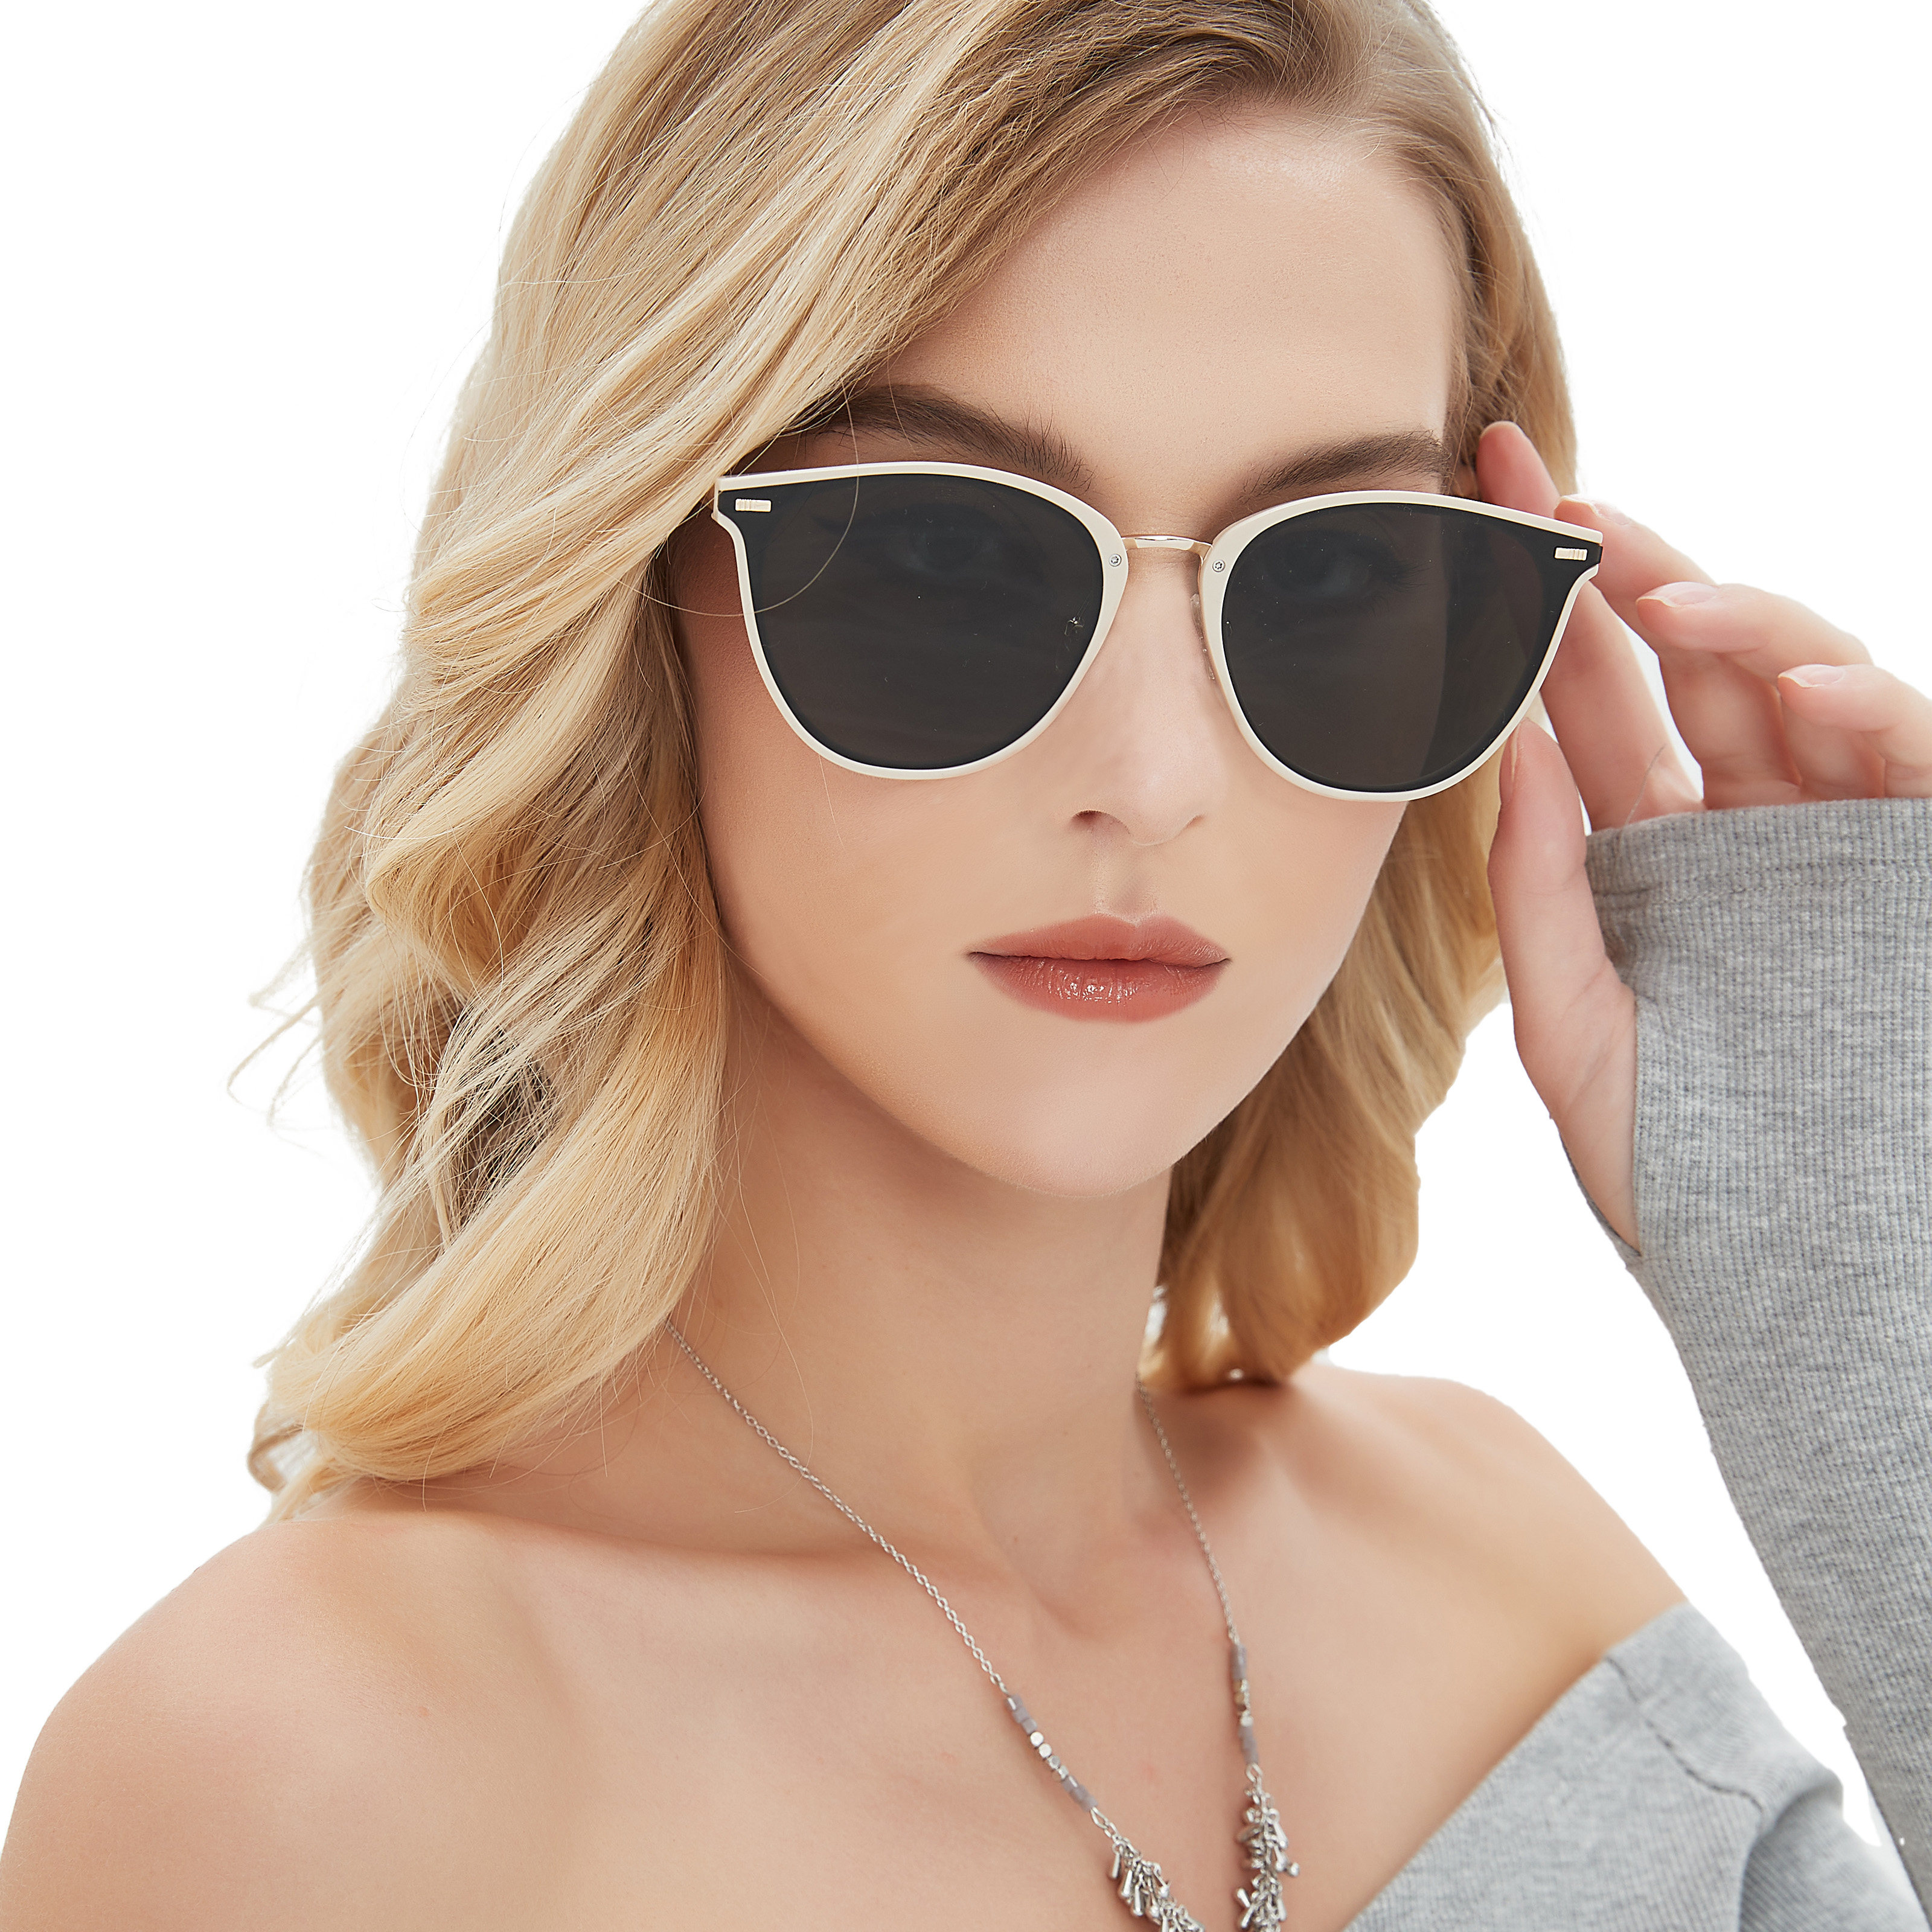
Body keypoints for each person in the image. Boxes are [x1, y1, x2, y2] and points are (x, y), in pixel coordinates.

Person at [2, 0, 1927, 1925]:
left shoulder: (1510, 1579)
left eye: (1333, 571)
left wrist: (1858, 1271)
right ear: (636, 601)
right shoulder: (310, 1776)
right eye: (945, 560)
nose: (1155, 781)